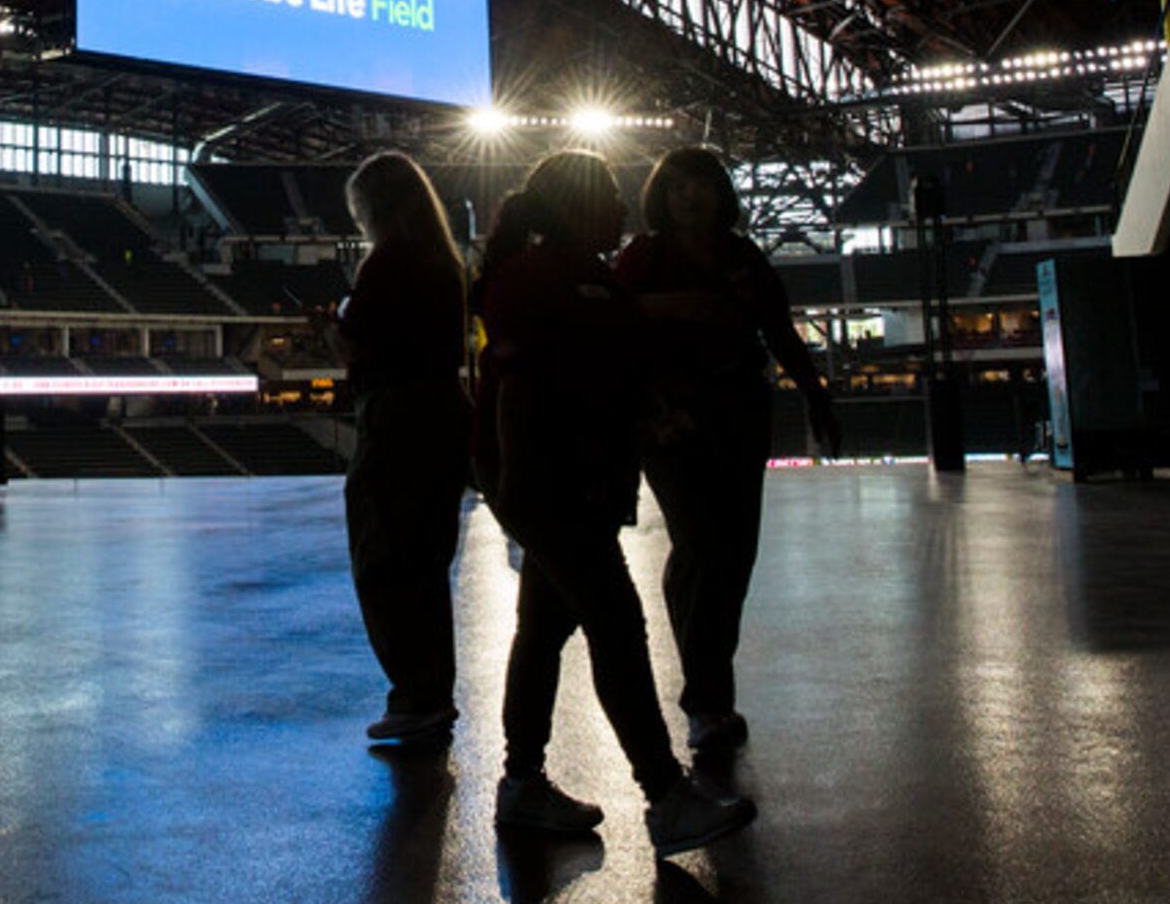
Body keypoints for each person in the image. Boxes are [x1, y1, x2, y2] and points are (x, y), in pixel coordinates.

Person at [473, 149, 754, 856]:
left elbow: (609, 367)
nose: (625, 209)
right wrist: (514, 488)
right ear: (573, 205)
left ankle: (522, 783)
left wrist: (653, 411)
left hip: (583, 484)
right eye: (609, 195)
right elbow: (516, 386)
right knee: (618, 627)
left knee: (542, 632)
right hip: (553, 487)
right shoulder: (537, 279)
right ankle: (665, 796)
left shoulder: (585, 274)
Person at [616, 146, 845, 757]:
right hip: (670, 425)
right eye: (678, 187)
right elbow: (608, 324)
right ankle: (707, 698)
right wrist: (658, 309)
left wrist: (818, 398)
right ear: (661, 198)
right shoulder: (644, 260)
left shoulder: (745, 258)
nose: (689, 197)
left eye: (700, 186)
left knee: (731, 553)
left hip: (740, 418)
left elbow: (781, 333)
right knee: (704, 546)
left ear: (721, 194)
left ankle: (709, 688)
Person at [323, 151, 473, 750]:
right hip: (442, 415)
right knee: (427, 562)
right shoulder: (444, 262)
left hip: (395, 418)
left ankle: (413, 695)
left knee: (382, 557)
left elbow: (360, 353)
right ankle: (433, 691)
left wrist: (334, 326)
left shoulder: (385, 264)